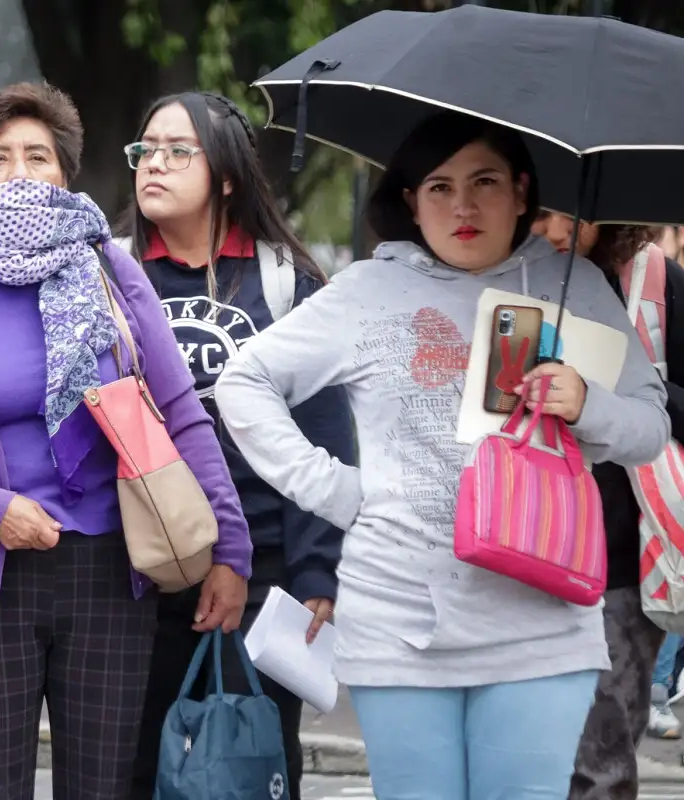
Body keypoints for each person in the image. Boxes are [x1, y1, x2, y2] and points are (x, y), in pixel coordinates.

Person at [213, 111, 669, 800]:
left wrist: (586, 403)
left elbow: (649, 427)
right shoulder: (365, 291)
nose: (463, 206)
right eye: (439, 187)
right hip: (397, 621)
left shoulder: (572, 286)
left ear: (522, 191)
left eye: (484, 182)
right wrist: (335, 490)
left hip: (542, 624)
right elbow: (243, 383)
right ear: (410, 200)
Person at [0, 82, 251, 799]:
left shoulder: (111, 272)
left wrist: (231, 549)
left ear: (65, 173)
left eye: (39, 156)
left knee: (102, 787)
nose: (20, 172)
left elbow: (182, 413)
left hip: (111, 570)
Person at [117, 91, 354, 800]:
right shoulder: (111, 274)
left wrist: (316, 572)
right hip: (134, 566)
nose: (154, 163)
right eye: (145, 149)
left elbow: (323, 433)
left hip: (261, 568)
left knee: (247, 767)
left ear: (225, 176)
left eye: (177, 150)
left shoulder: (284, 282)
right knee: (134, 769)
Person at [534, 211, 684, 797]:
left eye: (575, 218)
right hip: (510, 543)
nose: (557, 230)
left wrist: (630, 394)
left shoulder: (658, 286)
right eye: (541, 214)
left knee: (599, 764)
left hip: (620, 564)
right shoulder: (503, 278)